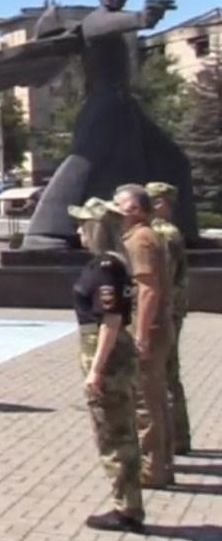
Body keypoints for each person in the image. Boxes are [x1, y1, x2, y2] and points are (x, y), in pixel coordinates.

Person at [68, 197, 144, 534]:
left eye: (83, 223)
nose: (78, 229)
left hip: (108, 359)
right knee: (119, 432)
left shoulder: (106, 268)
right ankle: (127, 504)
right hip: (109, 354)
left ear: (96, 228)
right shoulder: (108, 263)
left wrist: (97, 369)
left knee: (114, 435)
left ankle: (126, 509)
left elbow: (110, 320)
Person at [114, 183, 174, 488]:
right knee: (156, 399)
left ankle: (152, 470)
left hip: (148, 326)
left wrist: (140, 335)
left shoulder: (140, 240)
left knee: (146, 402)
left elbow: (148, 288)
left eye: (119, 205)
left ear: (135, 210)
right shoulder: (148, 235)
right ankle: (162, 463)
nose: (115, 210)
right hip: (156, 326)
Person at [146, 181, 190, 454]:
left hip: (165, 312)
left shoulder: (163, 233)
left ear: (161, 203)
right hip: (172, 309)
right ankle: (180, 438)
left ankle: (173, 440)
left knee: (163, 374)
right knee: (170, 373)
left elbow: (161, 279)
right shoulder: (166, 231)